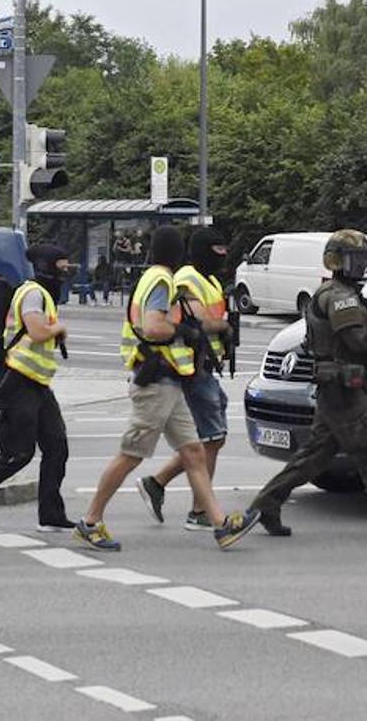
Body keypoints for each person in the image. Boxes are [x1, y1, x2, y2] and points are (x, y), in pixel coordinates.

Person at [74, 225, 259, 551]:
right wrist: (183, 330)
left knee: (194, 452)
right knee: (131, 455)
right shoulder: (160, 281)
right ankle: (90, 522)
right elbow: (154, 326)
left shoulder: (155, 278)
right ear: (176, 253)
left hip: (169, 380)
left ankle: (220, 525)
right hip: (156, 381)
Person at [247, 230, 367, 542]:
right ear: (337, 261)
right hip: (344, 390)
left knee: (313, 458)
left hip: (338, 388)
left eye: (363, 259)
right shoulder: (339, 296)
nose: (361, 266)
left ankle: (267, 503)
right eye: (354, 259)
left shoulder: (343, 292)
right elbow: (355, 339)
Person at [0, 244, 74, 532]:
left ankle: (51, 515)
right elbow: (37, 331)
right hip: (20, 380)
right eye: (62, 264)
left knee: (57, 447)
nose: (67, 269)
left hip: (38, 382)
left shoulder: (42, 293)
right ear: (47, 265)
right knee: (17, 454)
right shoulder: (33, 292)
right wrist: (58, 329)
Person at [138, 227, 233, 531]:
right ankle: (199, 511)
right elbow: (202, 320)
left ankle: (158, 483)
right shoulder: (186, 278)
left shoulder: (211, 279)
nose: (220, 259)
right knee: (210, 437)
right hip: (192, 366)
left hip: (204, 365)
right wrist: (223, 327)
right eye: (215, 252)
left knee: (205, 440)